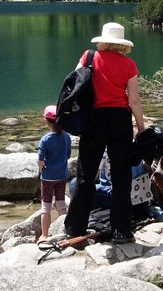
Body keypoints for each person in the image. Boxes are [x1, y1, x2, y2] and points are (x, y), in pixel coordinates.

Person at [64, 21, 147, 245]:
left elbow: (75, 84)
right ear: (122, 43)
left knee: (85, 174)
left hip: (93, 120)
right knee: (121, 176)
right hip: (120, 120)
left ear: (102, 40)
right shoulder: (129, 65)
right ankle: (121, 230)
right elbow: (134, 100)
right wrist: (140, 128)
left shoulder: (88, 57)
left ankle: (74, 229)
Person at [38, 104, 72, 240]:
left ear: (46, 120)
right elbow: (68, 155)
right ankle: (64, 231)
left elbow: (40, 161)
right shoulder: (67, 137)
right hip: (62, 176)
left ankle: (44, 235)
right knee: (61, 204)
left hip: (47, 178)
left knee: (45, 206)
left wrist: (42, 169)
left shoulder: (45, 140)